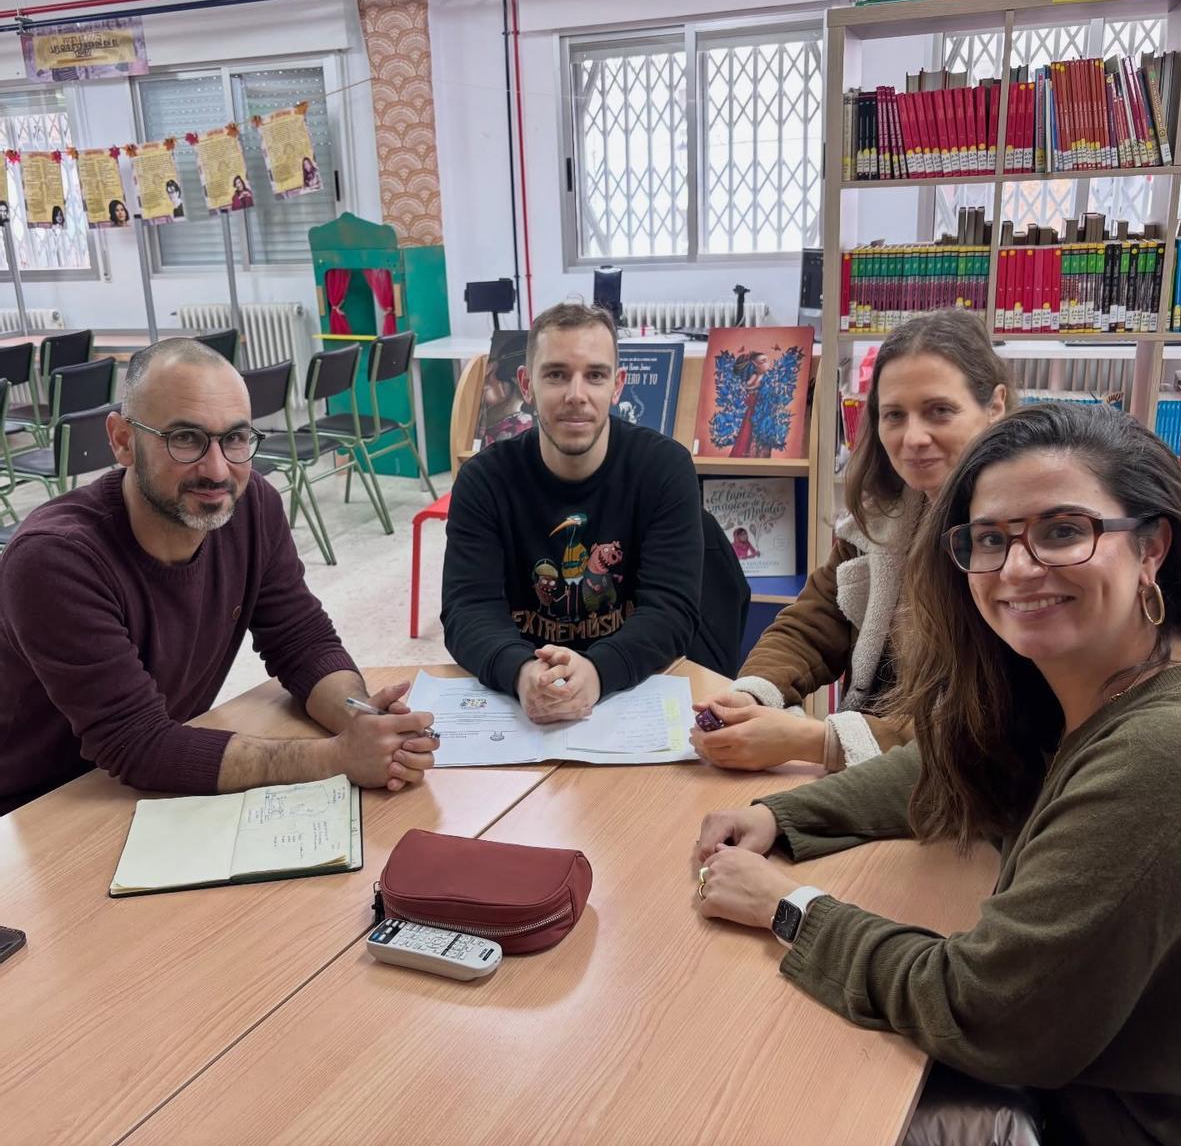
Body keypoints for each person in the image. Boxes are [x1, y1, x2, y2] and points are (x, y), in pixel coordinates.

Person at [695, 401, 1181, 1145]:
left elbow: (991, 1013)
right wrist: (786, 816)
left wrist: (789, 907)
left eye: (1064, 531)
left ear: (1151, 546)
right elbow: (958, 764)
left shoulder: (1166, 751)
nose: (1019, 568)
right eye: (990, 539)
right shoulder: (1080, 683)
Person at [0, 338, 437, 814]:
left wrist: (362, 718)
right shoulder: (55, 560)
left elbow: (302, 641)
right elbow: (136, 744)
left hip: (148, 785)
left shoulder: (252, 507)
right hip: (40, 810)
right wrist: (337, 756)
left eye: (235, 438)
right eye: (185, 439)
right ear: (123, 440)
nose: (217, 470)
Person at [692, 309, 1012, 773]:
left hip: (949, 791)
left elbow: (982, 735)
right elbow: (812, 623)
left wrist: (814, 740)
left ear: (995, 406)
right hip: (866, 774)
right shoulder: (883, 515)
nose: (913, 437)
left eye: (940, 410)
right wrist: (748, 697)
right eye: (894, 415)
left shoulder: (1020, 543)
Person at [442, 300, 702, 725]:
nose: (576, 395)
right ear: (526, 384)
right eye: (557, 374)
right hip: (522, 699)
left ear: (617, 386)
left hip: (628, 691)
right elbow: (467, 609)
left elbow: (672, 610)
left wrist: (598, 671)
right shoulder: (482, 481)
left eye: (595, 376)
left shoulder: (664, 469)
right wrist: (522, 673)